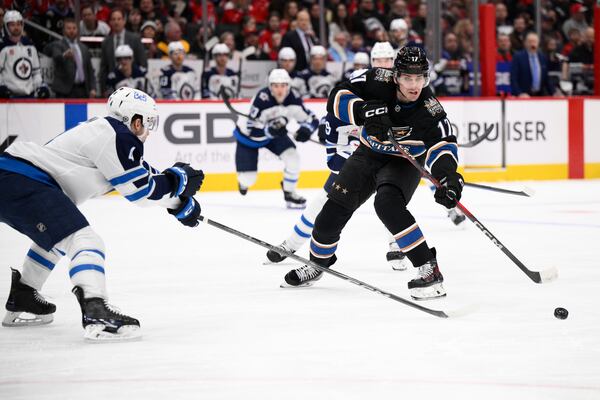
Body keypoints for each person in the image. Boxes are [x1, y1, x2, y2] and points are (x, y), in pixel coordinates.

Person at [0, 87, 205, 341]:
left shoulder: (107, 132)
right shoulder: (118, 135)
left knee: (58, 238)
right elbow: (140, 191)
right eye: (148, 123)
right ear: (135, 120)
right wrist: (178, 180)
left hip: (13, 176)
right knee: (85, 241)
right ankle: (96, 310)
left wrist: (180, 205)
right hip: (24, 180)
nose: (149, 131)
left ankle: (24, 296)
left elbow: (146, 179)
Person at [282, 47, 463, 301]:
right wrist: (361, 109)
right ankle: (317, 264)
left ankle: (429, 270)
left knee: (387, 204)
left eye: (420, 78)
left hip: (403, 161)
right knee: (330, 214)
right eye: (408, 78)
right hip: (368, 153)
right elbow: (337, 96)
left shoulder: (430, 109)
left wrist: (448, 178)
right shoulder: (376, 79)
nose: (414, 85)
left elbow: (443, 145)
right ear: (396, 76)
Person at [266, 46, 411, 271]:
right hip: (352, 169)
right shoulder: (337, 115)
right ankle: (291, 245)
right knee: (320, 205)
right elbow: (333, 161)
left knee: (390, 203)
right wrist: (351, 163)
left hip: (383, 162)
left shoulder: (397, 100)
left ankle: (397, 244)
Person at [233, 69, 318, 208]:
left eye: (283, 85)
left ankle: (289, 192)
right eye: (276, 86)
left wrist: (306, 130)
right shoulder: (262, 99)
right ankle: (243, 181)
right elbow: (251, 129)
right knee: (248, 180)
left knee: (293, 158)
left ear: (289, 86)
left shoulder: (294, 98)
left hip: (274, 134)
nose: (280, 90)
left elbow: (311, 119)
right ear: (270, 86)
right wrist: (269, 131)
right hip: (248, 138)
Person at [0, 11, 50, 99]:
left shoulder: (30, 45)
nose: (16, 27)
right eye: (12, 25)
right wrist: (1, 87)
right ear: (6, 26)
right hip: (8, 98)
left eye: (19, 24)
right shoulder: (2, 46)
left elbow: (36, 72)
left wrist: (40, 86)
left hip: (29, 97)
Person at [44, 18, 96, 99]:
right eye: (68, 28)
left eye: (74, 28)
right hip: (64, 91)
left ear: (77, 30)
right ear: (63, 31)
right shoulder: (58, 45)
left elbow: (89, 70)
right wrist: (64, 55)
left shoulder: (84, 48)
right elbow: (57, 57)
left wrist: (93, 88)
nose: (71, 30)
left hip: (83, 90)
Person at [99, 8, 147, 95]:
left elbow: (143, 62)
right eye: (113, 19)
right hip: (113, 85)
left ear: (124, 21)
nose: (116, 22)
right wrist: (104, 88)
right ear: (110, 22)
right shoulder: (106, 42)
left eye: (119, 19)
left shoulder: (134, 38)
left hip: (133, 85)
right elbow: (104, 68)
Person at [510, 32, 555, 97]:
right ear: (525, 43)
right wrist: (519, 93)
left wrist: (554, 93)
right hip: (523, 96)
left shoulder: (543, 57)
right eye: (530, 42)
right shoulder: (518, 57)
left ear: (538, 43)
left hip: (539, 95)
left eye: (534, 42)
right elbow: (513, 78)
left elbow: (546, 78)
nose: (532, 44)